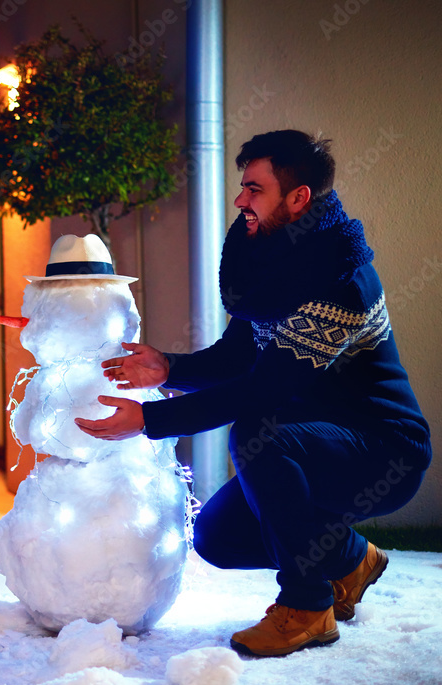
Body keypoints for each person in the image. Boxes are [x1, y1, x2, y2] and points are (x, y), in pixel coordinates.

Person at [75, 130, 431, 657]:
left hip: (381, 451)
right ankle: (352, 561)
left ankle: (308, 608)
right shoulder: (269, 261)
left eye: (254, 189)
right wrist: (166, 369)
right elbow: (239, 356)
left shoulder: (342, 282)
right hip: (308, 441)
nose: (240, 199)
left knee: (259, 431)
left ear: (298, 198)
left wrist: (149, 423)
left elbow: (262, 390)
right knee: (217, 538)